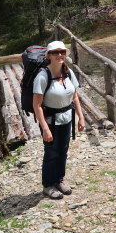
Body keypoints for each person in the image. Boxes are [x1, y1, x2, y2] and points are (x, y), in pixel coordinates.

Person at [33, 40, 85, 199]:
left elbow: (75, 96)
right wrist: (45, 129)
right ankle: (48, 185)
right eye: (55, 52)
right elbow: (37, 105)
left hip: (66, 118)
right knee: (51, 152)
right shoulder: (42, 76)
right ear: (49, 55)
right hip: (50, 121)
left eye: (62, 52)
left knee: (63, 151)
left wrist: (81, 118)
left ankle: (59, 180)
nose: (59, 55)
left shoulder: (68, 72)